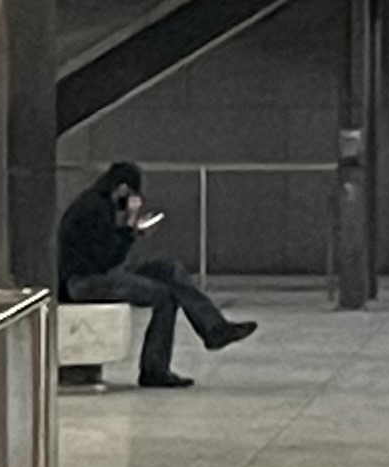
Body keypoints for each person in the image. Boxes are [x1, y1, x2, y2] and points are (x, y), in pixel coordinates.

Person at [57, 162, 257, 389]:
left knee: (168, 269)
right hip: (84, 281)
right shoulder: (94, 207)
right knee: (162, 296)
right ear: (122, 188)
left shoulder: (99, 204)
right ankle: (154, 369)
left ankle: (213, 328)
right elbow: (107, 258)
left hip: (96, 273)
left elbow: (107, 253)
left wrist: (129, 232)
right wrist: (132, 229)